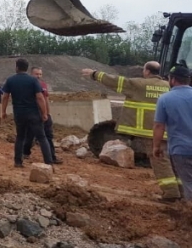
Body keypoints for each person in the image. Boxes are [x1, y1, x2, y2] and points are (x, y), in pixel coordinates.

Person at [82, 61, 181, 201]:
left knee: (159, 161)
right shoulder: (168, 86)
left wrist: (94, 74)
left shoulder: (138, 85)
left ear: (146, 71)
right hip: (170, 130)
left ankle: (171, 193)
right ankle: (182, 191)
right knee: (173, 161)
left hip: (151, 132)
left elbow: (114, 81)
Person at [1, 58, 53, 167]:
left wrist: (3, 111)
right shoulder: (33, 80)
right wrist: (44, 113)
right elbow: (40, 97)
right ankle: (49, 162)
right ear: (27, 68)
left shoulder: (10, 80)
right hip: (33, 113)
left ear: (17, 67)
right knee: (42, 137)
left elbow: (5, 97)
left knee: (20, 137)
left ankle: (18, 162)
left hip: (19, 113)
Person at [154, 64, 192, 201]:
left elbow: (159, 126)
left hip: (181, 150)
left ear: (173, 80)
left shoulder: (165, 99)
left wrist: (156, 147)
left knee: (189, 183)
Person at [23, 67, 61, 164]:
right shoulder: (27, 85)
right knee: (30, 136)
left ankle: (52, 157)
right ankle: (25, 152)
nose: (39, 76)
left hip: (44, 114)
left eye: (40, 74)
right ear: (31, 74)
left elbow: (46, 99)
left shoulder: (43, 85)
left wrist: (47, 113)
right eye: (36, 74)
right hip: (33, 114)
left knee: (48, 136)